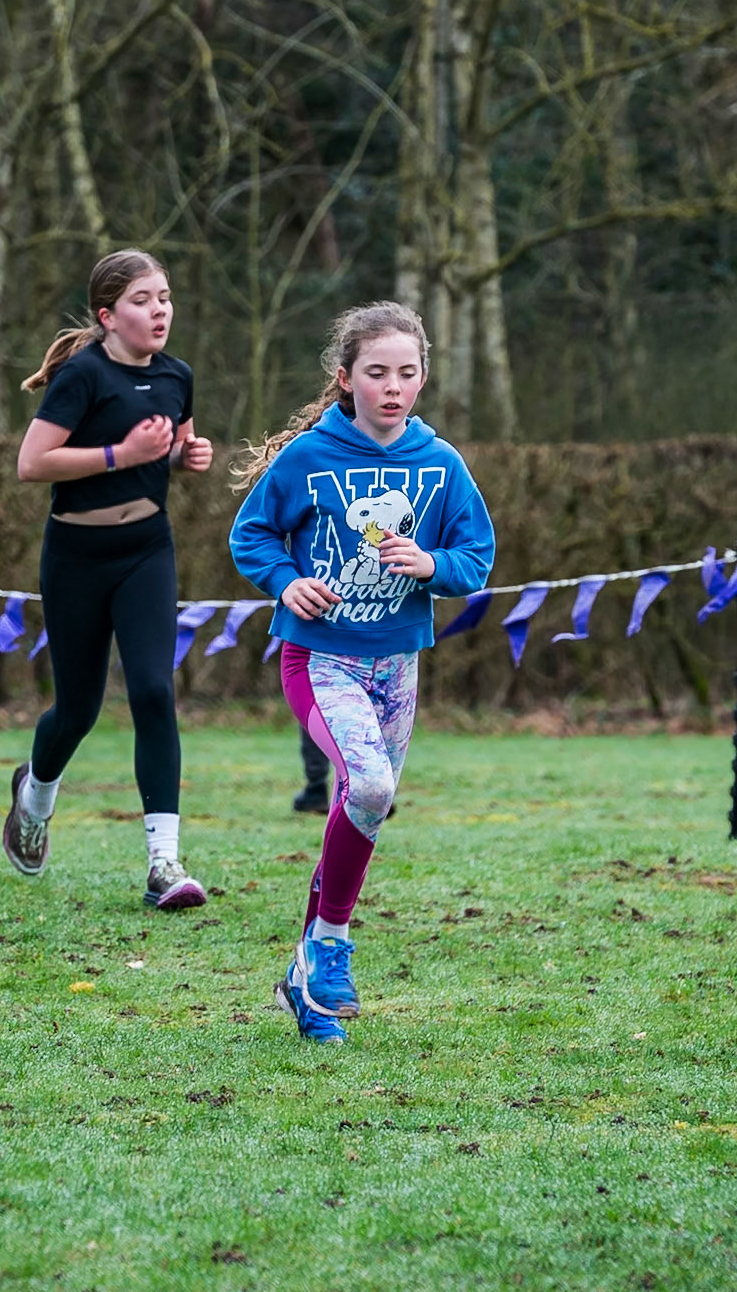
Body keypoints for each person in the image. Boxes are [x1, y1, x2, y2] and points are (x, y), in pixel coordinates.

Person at [229, 302, 495, 1043]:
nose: (393, 387)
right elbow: (251, 534)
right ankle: (332, 946)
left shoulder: (441, 465)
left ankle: (306, 984)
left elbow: (475, 558)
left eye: (407, 373)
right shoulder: (309, 457)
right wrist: (286, 580)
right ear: (346, 378)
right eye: (377, 372)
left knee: (364, 806)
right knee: (370, 786)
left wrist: (432, 564)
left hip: (398, 664)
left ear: (423, 378)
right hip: (320, 659)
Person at [3, 249, 214, 910]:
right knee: (78, 711)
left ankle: (164, 863)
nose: (159, 311)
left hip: (147, 548)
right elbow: (32, 463)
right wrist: (122, 454)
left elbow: (168, 448)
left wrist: (184, 457)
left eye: (165, 298)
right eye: (142, 301)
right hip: (76, 556)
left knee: (153, 690)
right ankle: (34, 798)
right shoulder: (83, 375)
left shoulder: (177, 375)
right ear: (108, 316)